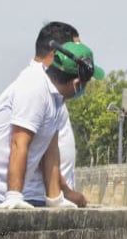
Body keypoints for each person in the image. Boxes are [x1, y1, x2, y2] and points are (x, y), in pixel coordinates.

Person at [0, 29, 103, 210]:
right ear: (76, 83)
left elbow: (51, 150)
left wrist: (55, 198)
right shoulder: (35, 85)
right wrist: (14, 195)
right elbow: (19, 142)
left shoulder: (56, 97)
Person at [24, 22, 88, 208]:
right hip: (37, 197)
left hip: (45, 197)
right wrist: (65, 192)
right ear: (57, 54)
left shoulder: (51, 89)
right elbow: (40, 149)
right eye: (75, 54)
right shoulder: (37, 87)